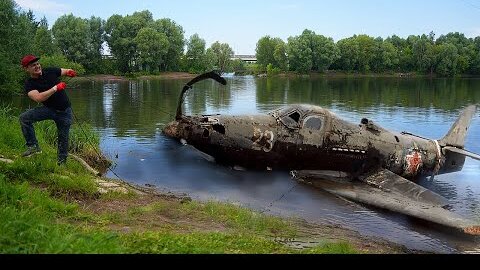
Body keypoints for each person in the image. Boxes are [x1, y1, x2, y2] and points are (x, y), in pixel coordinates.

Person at [19, 54, 77, 165]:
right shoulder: (29, 84)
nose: (37, 66)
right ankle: (33, 146)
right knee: (24, 118)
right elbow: (38, 98)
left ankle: (61, 165)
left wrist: (70, 72)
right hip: (49, 110)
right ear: (26, 69)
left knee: (63, 139)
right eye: (33, 65)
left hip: (65, 111)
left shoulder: (50, 71)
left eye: (37, 64)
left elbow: (65, 71)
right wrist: (55, 88)